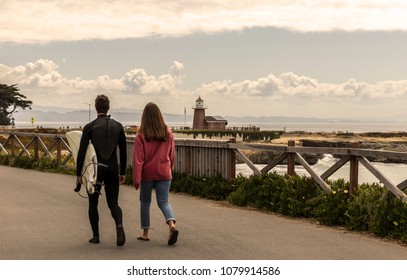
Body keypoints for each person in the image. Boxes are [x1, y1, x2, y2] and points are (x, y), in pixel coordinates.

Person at [76, 94, 127, 246]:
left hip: (95, 170)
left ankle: (96, 236)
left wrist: (79, 174)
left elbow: (82, 152)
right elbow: (123, 152)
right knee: (113, 203)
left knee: (93, 202)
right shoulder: (118, 126)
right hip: (112, 169)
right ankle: (119, 227)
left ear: (96, 107)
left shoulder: (89, 127)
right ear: (108, 107)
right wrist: (122, 172)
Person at [133, 102, 178, 245]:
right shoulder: (168, 132)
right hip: (164, 172)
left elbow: (138, 159)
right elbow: (172, 155)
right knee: (164, 201)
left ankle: (145, 233)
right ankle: (171, 224)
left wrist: (136, 179)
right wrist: (169, 168)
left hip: (147, 173)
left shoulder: (141, 134)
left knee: (145, 202)